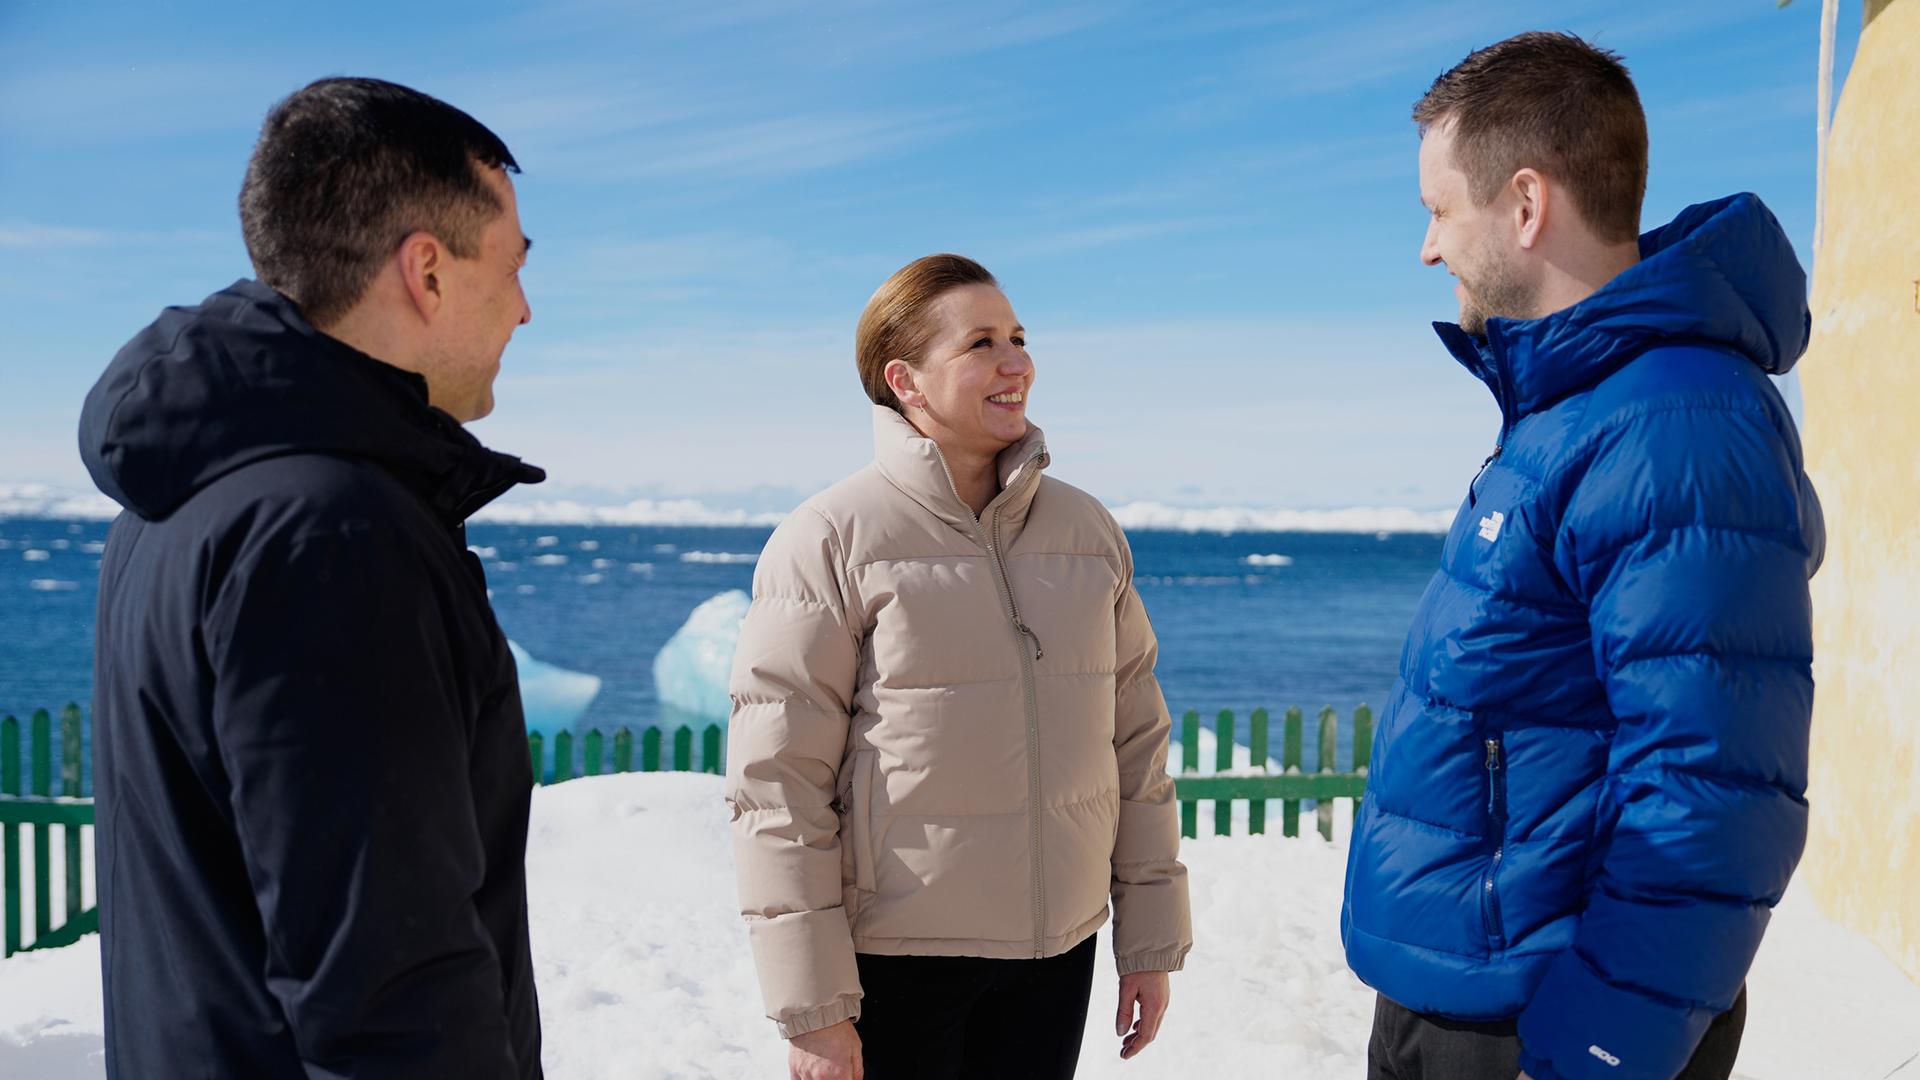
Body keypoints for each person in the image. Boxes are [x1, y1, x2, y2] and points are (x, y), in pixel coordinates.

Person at [1341, 32, 1824, 1080]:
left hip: (1542, 1019)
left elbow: (1709, 792)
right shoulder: (1575, 409)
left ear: (1525, 203)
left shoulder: (1671, 424)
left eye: (1438, 211)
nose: (1428, 248)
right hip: (1475, 992)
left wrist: (1596, 1049)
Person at [78, 77, 544, 1077]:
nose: (525, 309)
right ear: (426, 270)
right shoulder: (329, 534)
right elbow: (388, 988)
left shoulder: (178, 499)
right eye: (512, 266)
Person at [725, 254, 1192, 1080]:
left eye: (1018, 337)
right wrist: (814, 1007)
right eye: (982, 344)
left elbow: (1137, 746)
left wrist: (1150, 939)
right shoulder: (829, 538)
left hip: (1056, 957)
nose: (1018, 364)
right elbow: (777, 787)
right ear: (904, 381)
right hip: (898, 965)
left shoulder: (1086, 532)